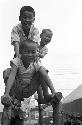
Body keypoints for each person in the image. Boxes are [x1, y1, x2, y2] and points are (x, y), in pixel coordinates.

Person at [1, 39, 56, 106]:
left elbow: (45, 76)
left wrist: (53, 91)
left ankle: (45, 95)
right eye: (26, 52)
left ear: (37, 53)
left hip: (30, 89)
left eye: (33, 52)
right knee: (7, 71)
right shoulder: (17, 61)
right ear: (20, 53)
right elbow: (12, 76)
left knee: (43, 71)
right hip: (18, 89)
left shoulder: (36, 63)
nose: (30, 55)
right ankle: (11, 96)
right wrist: (6, 93)